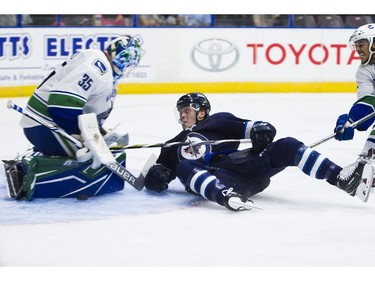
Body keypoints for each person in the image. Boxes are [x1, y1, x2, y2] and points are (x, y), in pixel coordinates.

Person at [144, 92, 372, 211]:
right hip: (216, 180)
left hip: (240, 166)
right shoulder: (172, 144)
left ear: (201, 111)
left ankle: (343, 179)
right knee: (185, 166)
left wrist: (263, 131)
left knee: (287, 145)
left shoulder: (219, 121)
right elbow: (155, 174)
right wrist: (156, 176)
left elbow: (258, 126)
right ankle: (225, 197)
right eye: (179, 112)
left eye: (186, 110)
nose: (182, 115)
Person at [3, 35, 144, 201]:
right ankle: (31, 176)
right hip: (44, 125)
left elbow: (83, 114)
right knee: (89, 157)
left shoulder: (104, 70)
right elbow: (61, 104)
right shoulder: (98, 67)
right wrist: (86, 138)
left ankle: (39, 160)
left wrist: (95, 134)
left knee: (99, 148)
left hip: (46, 125)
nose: (127, 65)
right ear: (116, 54)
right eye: (126, 59)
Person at [333, 23, 375, 159]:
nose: (358, 49)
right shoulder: (364, 71)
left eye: (361, 45)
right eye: (356, 46)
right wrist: (351, 121)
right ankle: (366, 162)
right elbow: (368, 99)